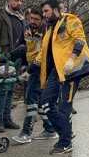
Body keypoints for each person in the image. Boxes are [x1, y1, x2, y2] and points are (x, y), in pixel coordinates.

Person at [38, 0, 89, 154]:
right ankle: (66, 134)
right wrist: (30, 70)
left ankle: (65, 142)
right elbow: (44, 53)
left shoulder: (70, 20)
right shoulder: (50, 29)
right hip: (56, 71)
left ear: (56, 10)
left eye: (46, 11)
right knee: (45, 103)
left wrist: (71, 58)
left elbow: (79, 39)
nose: (44, 15)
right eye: (43, 12)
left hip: (71, 70)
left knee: (64, 107)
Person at [12, 8, 58, 144]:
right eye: (31, 18)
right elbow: (20, 45)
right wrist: (12, 59)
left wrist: (29, 70)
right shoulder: (26, 29)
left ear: (43, 19)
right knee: (38, 101)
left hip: (43, 68)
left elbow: (42, 54)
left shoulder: (46, 31)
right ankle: (50, 129)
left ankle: (26, 132)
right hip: (31, 67)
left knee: (31, 99)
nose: (32, 21)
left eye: (36, 19)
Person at [0, 0, 26, 133]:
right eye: (16, 0)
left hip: (17, 56)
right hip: (5, 57)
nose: (19, 3)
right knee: (3, 89)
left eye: (21, 0)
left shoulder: (21, 18)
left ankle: (7, 118)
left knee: (11, 89)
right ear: (9, 1)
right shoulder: (0, 16)